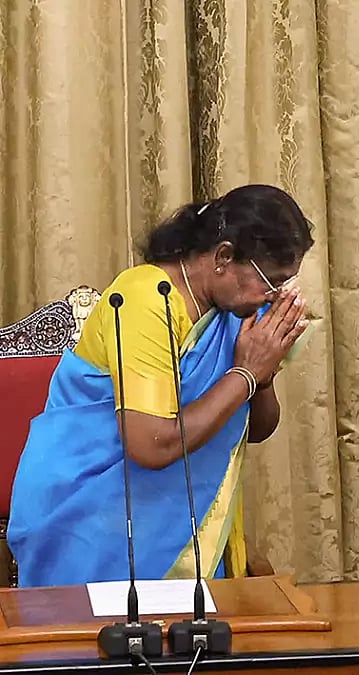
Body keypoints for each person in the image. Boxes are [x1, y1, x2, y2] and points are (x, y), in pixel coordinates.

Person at [7, 184, 314, 587]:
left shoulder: (236, 311)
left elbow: (255, 429)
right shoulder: (145, 299)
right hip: (91, 519)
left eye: (282, 284)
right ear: (224, 257)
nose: (273, 297)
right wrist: (245, 374)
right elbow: (151, 445)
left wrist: (264, 373)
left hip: (181, 528)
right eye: (269, 281)